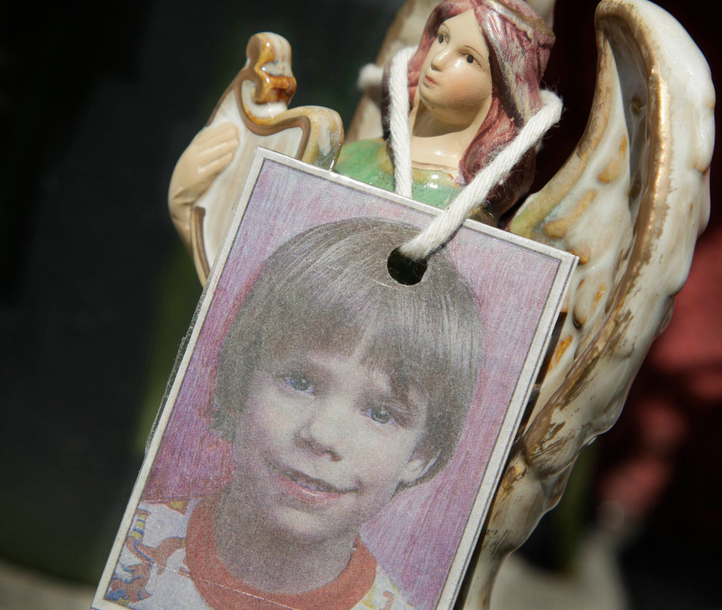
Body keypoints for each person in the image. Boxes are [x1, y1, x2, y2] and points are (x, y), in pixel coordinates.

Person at [105, 218, 482, 610]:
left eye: (380, 413)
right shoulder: (133, 547)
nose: (322, 435)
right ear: (241, 380)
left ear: (422, 454)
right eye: (300, 382)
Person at [335, 0, 555, 221]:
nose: (438, 60)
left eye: (469, 57)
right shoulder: (351, 154)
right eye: (442, 38)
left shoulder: (464, 213)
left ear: (503, 88)